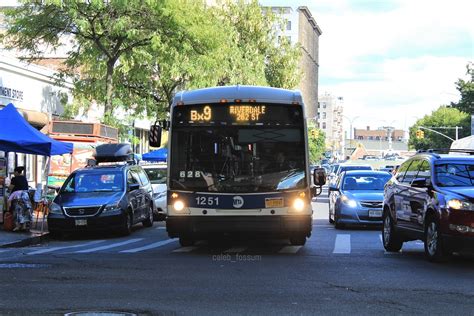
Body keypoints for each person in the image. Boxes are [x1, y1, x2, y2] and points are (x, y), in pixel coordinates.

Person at [7, 167, 32, 231]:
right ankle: (23, 226)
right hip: (26, 196)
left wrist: (7, 187)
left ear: (17, 172)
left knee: (17, 211)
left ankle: (17, 226)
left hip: (18, 196)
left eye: (14, 172)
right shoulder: (24, 178)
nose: (14, 174)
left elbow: (10, 187)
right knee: (24, 211)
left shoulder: (14, 179)